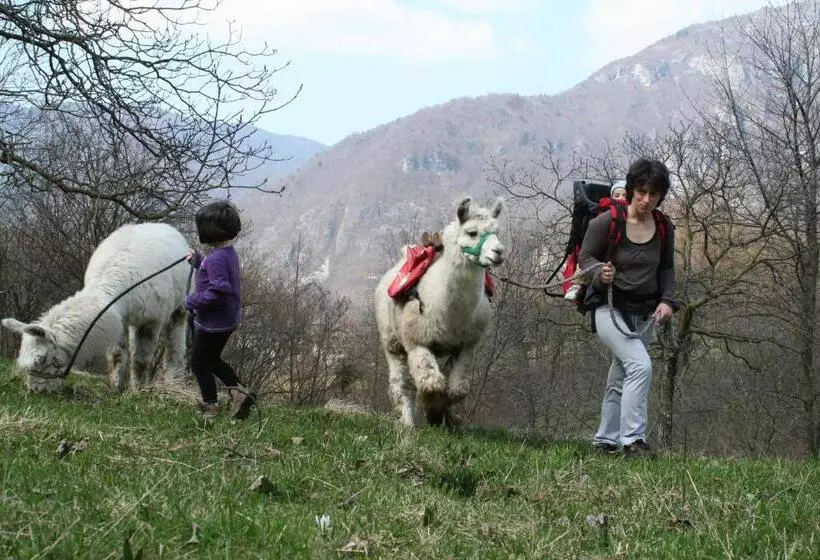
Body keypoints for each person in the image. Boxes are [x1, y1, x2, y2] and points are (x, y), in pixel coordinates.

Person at [578, 159, 678, 458]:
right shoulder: (607, 222)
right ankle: (633, 441)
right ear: (632, 189)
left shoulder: (663, 227)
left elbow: (667, 269)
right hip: (609, 308)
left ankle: (605, 441)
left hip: (644, 312)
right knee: (640, 366)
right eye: (641, 192)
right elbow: (585, 257)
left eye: (654, 194)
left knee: (622, 375)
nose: (647, 200)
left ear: (661, 195)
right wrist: (599, 272)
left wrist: (667, 301)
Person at [185, 200, 255, 420]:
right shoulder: (226, 253)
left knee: (199, 363)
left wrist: (192, 300)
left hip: (213, 323)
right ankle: (240, 393)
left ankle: (211, 406)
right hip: (227, 319)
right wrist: (199, 261)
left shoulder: (216, 259)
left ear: (208, 231)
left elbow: (218, 290)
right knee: (213, 359)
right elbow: (215, 271)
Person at [563, 180, 628, 301]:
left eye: (625, 195)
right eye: (617, 195)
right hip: (599, 251)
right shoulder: (604, 212)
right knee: (585, 262)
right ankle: (577, 285)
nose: (621, 199)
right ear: (611, 196)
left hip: (618, 254)